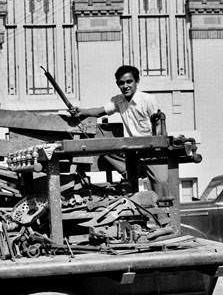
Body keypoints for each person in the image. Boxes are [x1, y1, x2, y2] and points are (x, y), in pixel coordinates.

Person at [71, 65, 170, 198]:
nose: (125, 86)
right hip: (132, 150)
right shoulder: (118, 101)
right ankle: (131, 180)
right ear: (118, 84)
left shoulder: (148, 100)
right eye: (121, 83)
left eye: (129, 82)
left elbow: (158, 126)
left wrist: (158, 148)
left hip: (152, 149)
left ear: (137, 82)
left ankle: (163, 213)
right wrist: (81, 111)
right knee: (106, 152)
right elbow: (100, 111)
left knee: (160, 182)